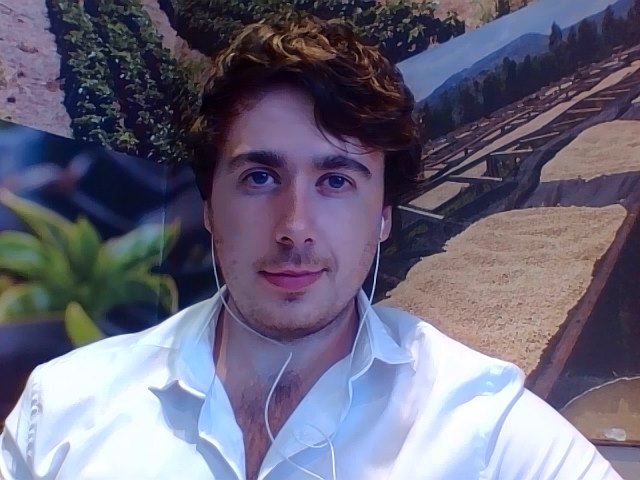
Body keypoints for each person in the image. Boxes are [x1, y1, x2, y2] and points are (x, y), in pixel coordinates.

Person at [0, 15, 623, 480]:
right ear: (209, 206)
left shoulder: (486, 432)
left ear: (382, 215)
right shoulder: (62, 410)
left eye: (336, 181)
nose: (294, 226)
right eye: (259, 177)